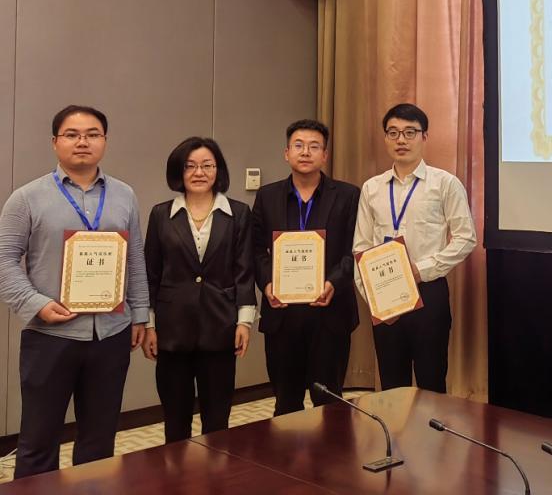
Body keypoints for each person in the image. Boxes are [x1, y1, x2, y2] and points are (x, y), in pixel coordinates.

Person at [0, 105, 148, 478]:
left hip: (111, 334)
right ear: (55, 142)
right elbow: (4, 260)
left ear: (105, 141)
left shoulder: (124, 195)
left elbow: (135, 259)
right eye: (72, 134)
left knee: (99, 441)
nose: (83, 141)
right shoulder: (27, 197)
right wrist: (35, 304)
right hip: (50, 335)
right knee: (38, 442)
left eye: (92, 134)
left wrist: (140, 315)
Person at [353, 103, 477, 393]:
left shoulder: (445, 183)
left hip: (428, 292)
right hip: (385, 294)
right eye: (393, 132)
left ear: (425, 137)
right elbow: (361, 246)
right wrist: (373, 298)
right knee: (392, 385)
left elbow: (466, 238)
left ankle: (432, 427)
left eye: (410, 132)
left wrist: (420, 270)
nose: (401, 140)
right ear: (385, 138)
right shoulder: (372, 188)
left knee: (431, 383)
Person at [142, 137, 256, 442]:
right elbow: (151, 274)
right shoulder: (161, 214)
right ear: (178, 171)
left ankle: (215, 471)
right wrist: (149, 325)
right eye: (190, 166)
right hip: (171, 330)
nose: (199, 172)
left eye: (207, 165)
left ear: (218, 170)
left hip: (221, 326)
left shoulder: (239, 212)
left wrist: (245, 321)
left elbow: (244, 271)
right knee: (175, 421)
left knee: (217, 420)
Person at [252, 119, 360, 415]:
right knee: (286, 403)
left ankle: (331, 449)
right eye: (298, 145)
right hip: (282, 314)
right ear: (286, 153)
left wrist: (333, 282)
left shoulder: (349, 195)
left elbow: (355, 249)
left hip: (330, 313)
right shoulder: (267, 196)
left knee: (329, 403)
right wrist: (268, 283)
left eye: (314, 147)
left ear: (325, 155)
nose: (305, 152)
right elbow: (256, 249)